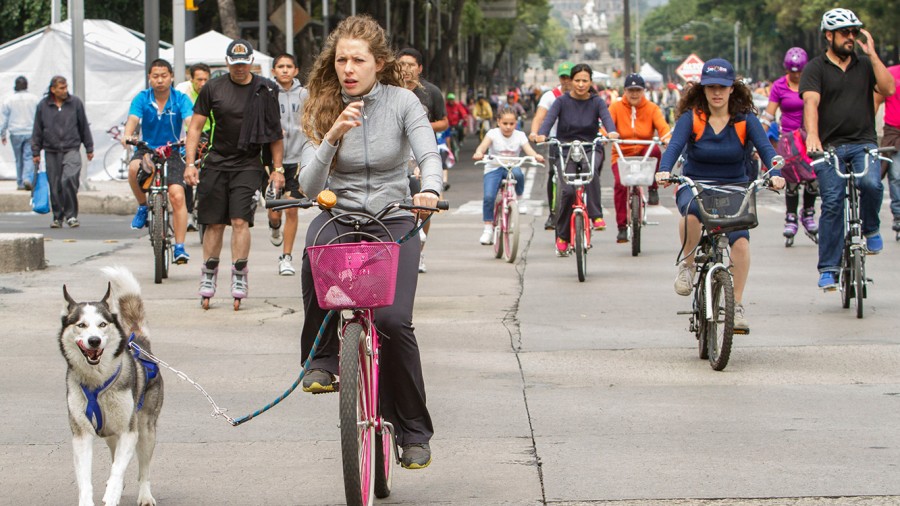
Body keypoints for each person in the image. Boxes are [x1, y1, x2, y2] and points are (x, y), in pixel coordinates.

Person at [296, 15, 441, 470]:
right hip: (339, 215)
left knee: (394, 321)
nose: (348, 69)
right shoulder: (322, 104)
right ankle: (321, 359)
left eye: (358, 60)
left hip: (393, 217)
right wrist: (333, 136)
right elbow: (308, 186)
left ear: (379, 62)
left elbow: (428, 153)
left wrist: (429, 189)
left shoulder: (403, 102)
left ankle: (413, 430)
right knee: (314, 252)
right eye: (341, 60)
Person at [656, 58, 785, 332]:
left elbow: (766, 149)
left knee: (741, 242)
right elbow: (674, 147)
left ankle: (735, 305)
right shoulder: (692, 118)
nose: (717, 92)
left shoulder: (745, 119)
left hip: (735, 187)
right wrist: (664, 171)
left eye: (722, 87)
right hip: (696, 184)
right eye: (711, 87)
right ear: (702, 88)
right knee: (691, 214)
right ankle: (688, 265)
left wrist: (775, 172)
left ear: (732, 89)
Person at [800, 8, 896, 290]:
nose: (851, 37)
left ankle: (871, 228)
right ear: (829, 36)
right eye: (845, 32)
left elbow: (889, 89)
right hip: (828, 147)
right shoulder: (815, 68)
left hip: (863, 142)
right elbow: (811, 103)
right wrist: (813, 136)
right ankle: (829, 269)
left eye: (854, 32)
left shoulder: (865, 65)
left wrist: (873, 54)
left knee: (872, 184)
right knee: (832, 202)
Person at [183, 39, 284, 304]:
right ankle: (209, 273)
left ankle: (239, 273)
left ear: (251, 62)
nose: (240, 68)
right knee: (214, 223)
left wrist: (277, 169)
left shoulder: (265, 90)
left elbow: (275, 133)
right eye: (235, 63)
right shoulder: (213, 88)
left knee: (240, 221)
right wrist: (190, 163)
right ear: (228, 62)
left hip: (248, 163)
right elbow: (195, 128)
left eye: (244, 63)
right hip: (216, 162)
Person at [535, 63, 617, 255]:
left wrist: (612, 131)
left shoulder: (597, 102)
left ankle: (596, 215)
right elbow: (548, 120)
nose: (581, 84)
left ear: (590, 82)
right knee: (568, 191)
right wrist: (541, 134)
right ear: (571, 81)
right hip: (566, 149)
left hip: (590, 147)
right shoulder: (561, 102)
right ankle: (563, 236)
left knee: (591, 172)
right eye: (577, 80)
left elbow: (607, 119)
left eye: (584, 81)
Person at [124, 59, 194, 264]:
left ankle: (179, 247)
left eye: (164, 76)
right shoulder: (142, 98)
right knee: (133, 169)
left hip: (173, 150)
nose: (160, 80)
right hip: (147, 149)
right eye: (155, 76)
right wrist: (127, 135)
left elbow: (190, 121)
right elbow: (133, 119)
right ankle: (142, 206)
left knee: (177, 195)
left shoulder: (180, 99)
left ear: (171, 77)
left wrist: (190, 135)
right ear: (149, 78)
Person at [398, 47, 449, 272]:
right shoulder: (390, 89)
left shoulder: (431, 92)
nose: (405, 69)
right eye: (401, 65)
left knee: (424, 204)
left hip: (421, 154)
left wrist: (420, 126)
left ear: (419, 68)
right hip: (398, 155)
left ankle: (419, 249)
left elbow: (444, 122)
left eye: (410, 65)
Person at [762, 47, 819, 243]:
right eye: (792, 71)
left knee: (813, 178)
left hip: (809, 137)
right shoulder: (779, 86)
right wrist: (757, 137)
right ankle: (791, 217)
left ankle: (808, 213)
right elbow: (769, 114)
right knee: (792, 180)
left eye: (799, 72)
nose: (796, 75)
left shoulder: (812, 83)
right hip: (788, 141)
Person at [607, 73, 669, 243]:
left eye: (638, 90)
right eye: (631, 90)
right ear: (625, 91)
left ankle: (653, 188)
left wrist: (666, 138)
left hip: (644, 152)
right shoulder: (616, 107)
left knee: (655, 150)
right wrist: (607, 135)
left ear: (643, 91)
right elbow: (607, 125)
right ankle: (621, 227)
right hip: (621, 154)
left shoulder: (652, 108)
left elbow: (663, 127)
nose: (634, 94)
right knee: (620, 185)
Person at [473, 105, 545, 244]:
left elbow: (528, 150)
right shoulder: (492, 134)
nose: (508, 127)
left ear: (516, 123)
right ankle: (488, 229)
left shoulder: (520, 135)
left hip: (511, 167)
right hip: (494, 168)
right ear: (498, 122)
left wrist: (536, 156)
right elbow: (482, 147)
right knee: (489, 197)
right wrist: (479, 153)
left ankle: (520, 199)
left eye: (511, 124)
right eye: (505, 123)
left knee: (519, 175)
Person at [31, 76, 94, 229]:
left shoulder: (75, 103)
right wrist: (36, 151)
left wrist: (89, 147)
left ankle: (71, 215)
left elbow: (83, 126)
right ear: (53, 89)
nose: (65, 90)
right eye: (61, 88)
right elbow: (37, 129)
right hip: (51, 150)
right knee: (55, 184)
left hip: (71, 148)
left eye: (66, 87)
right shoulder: (43, 106)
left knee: (69, 178)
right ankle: (58, 217)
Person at [266, 53, 307, 276]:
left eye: (289, 66)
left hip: (298, 159)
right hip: (274, 160)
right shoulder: (267, 93)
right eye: (280, 66)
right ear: (273, 71)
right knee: (274, 212)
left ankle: (286, 257)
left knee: (292, 208)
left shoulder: (305, 94)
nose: (284, 70)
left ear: (296, 70)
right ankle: (274, 227)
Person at [530, 61, 574, 230]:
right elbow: (539, 117)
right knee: (553, 175)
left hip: (578, 142)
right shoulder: (550, 96)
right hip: (556, 142)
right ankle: (553, 212)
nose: (567, 81)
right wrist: (534, 133)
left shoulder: (583, 95)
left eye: (569, 77)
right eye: (563, 78)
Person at [174, 63, 211, 232]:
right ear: (191, 79)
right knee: (187, 169)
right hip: (188, 133)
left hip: (209, 133)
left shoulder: (212, 90)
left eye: (205, 79)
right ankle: (189, 212)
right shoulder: (183, 91)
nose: (202, 83)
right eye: (199, 80)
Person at [1, 76, 39, 191]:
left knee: (18, 158)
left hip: (15, 132)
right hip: (30, 131)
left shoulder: (9, 100)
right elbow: (39, 117)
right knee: (28, 156)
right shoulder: (34, 99)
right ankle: (27, 178)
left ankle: (20, 182)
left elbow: (4, 119)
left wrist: (3, 133)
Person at [875, 64, 900, 235]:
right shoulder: (890, 74)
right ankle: (898, 214)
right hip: (894, 133)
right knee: (896, 175)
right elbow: (875, 100)